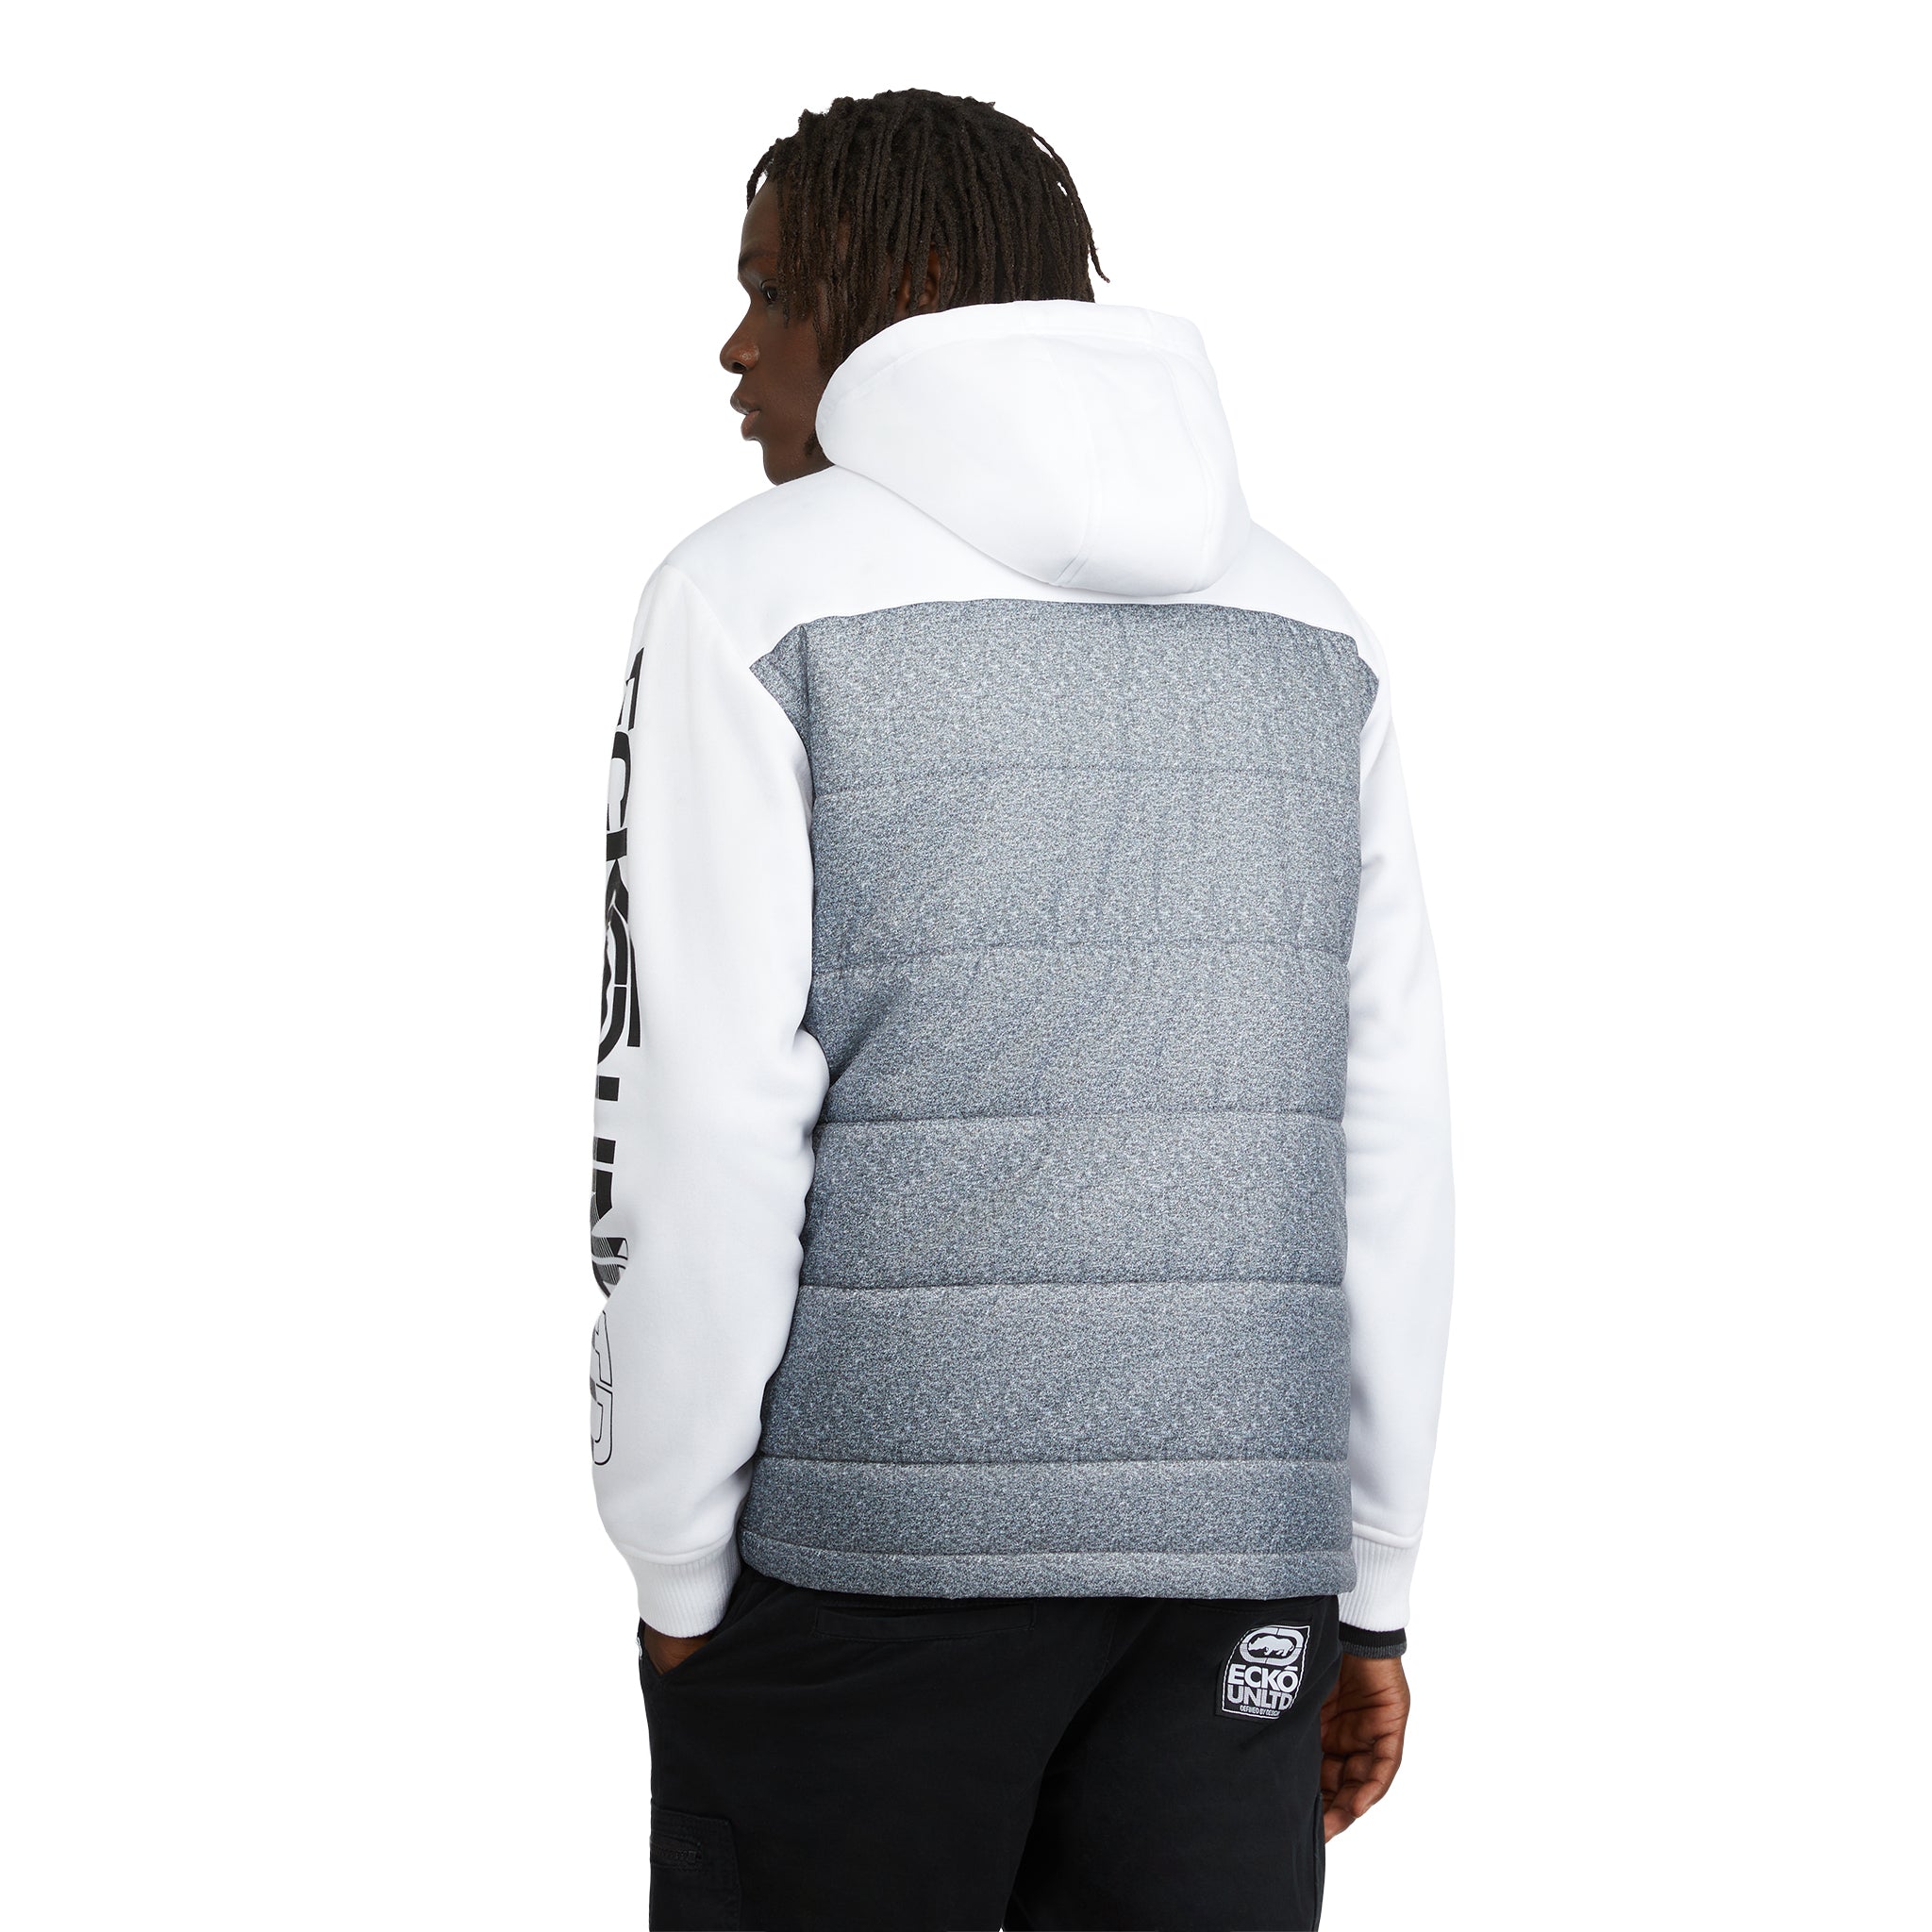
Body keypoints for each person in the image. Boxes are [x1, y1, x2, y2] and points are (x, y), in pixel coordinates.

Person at [590, 89, 1453, 1932]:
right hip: (1238, 1586)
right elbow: (1385, 1141)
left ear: (906, 281)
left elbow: (698, 1117)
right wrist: (1367, 1590)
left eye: (773, 292)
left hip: (863, 1578)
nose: (737, 347)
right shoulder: (1315, 628)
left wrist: (671, 1561)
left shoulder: (745, 601)